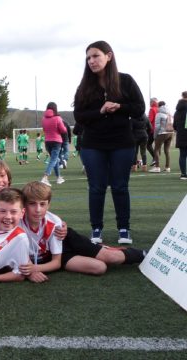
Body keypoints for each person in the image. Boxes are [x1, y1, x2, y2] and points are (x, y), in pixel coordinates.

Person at [73, 40, 145, 245]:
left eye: (95, 56)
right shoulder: (85, 86)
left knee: (120, 186)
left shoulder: (126, 81)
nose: (91, 61)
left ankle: (124, 229)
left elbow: (139, 108)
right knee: (96, 187)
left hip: (122, 143)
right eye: (88, 58)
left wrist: (119, 106)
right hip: (93, 144)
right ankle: (96, 229)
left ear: (109, 56)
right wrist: (100, 110)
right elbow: (79, 115)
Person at [18, 181, 146, 282]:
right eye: (32, 204)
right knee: (100, 268)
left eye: (42, 204)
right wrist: (30, 271)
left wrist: (33, 269)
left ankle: (144, 255)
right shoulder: (17, 224)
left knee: (111, 257)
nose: (38, 209)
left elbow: (55, 263)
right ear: (24, 205)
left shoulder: (55, 223)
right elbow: (56, 262)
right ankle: (98, 249)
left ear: (49, 205)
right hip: (53, 255)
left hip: (67, 241)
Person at [41, 102, 67, 186]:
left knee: (54, 159)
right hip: (56, 141)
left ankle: (58, 177)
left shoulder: (43, 119)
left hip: (47, 141)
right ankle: (45, 177)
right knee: (53, 160)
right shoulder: (58, 118)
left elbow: (44, 130)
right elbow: (63, 130)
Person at [149, 101, 174, 173]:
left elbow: (157, 126)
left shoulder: (159, 114)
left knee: (156, 149)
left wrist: (155, 135)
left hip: (162, 133)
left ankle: (157, 167)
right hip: (170, 132)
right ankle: (167, 167)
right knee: (167, 150)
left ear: (158, 106)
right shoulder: (169, 113)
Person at [173, 91, 187, 180]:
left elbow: (174, 126)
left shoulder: (177, 111)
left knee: (182, 155)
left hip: (181, 135)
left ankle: (183, 174)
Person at [147, 97, 159, 164]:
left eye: (150, 102)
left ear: (152, 102)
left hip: (152, 130)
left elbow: (150, 120)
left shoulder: (152, 109)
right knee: (157, 146)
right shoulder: (158, 109)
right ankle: (156, 159)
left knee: (148, 145)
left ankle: (155, 158)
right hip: (159, 130)